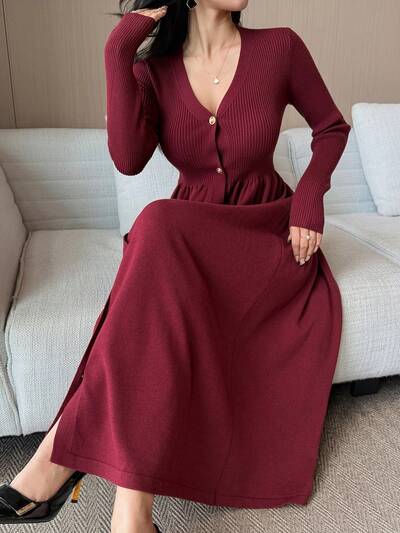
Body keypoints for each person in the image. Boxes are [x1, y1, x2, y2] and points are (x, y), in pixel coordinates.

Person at [0, 1, 351, 532]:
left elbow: (330, 128)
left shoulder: (279, 47)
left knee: (157, 226)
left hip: (266, 240)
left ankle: (57, 460)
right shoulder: (153, 73)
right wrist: (117, 53)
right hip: (188, 248)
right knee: (159, 242)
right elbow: (128, 159)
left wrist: (310, 196)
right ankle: (132, 515)